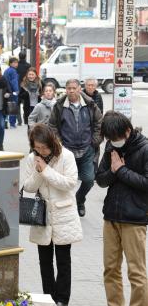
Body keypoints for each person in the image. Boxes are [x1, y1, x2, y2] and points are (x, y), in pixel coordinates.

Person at [95, 111, 148, 306]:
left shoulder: (144, 149)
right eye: (109, 138)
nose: (113, 141)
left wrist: (122, 170)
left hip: (134, 218)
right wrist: (115, 172)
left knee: (136, 271)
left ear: (127, 130)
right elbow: (100, 179)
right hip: (111, 215)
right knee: (110, 268)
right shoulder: (110, 147)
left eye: (116, 136)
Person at [23, 123, 82, 306]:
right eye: (36, 147)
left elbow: (69, 183)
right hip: (42, 215)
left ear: (52, 142)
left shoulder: (66, 156)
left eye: (43, 147)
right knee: (44, 259)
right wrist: (40, 171)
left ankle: (63, 298)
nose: (40, 150)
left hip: (64, 213)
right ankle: (49, 295)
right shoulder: (32, 158)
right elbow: (29, 187)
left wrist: (46, 171)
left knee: (63, 259)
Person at [48, 78, 102, 217]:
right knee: (66, 182)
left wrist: (95, 141)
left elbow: (99, 123)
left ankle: (80, 199)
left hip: (87, 149)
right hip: (67, 151)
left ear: (79, 89)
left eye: (74, 88)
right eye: (68, 88)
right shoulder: (59, 106)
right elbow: (52, 126)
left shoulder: (90, 104)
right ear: (66, 90)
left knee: (89, 180)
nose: (71, 91)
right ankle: (67, 207)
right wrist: (59, 144)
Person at [3, 57, 19, 128]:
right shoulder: (13, 71)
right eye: (14, 63)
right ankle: (12, 123)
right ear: (10, 63)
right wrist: (16, 90)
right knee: (13, 106)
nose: (16, 64)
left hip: (6, 91)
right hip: (12, 91)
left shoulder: (6, 71)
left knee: (7, 106)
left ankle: (5, 121)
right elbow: (14, 82)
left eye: (16, 62)